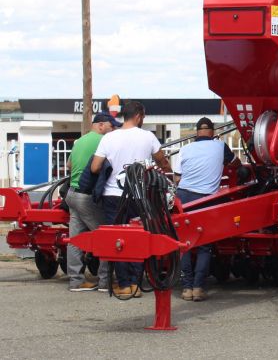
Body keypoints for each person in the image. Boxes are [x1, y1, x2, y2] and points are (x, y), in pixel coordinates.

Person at [91, 101, 170, 297]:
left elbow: (94, 167)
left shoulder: (109, 138)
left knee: (118, 240)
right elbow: (162, 161)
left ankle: (124, 285)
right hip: (139, 197)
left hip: (112, 197)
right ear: (138, 116)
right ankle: (136, 283)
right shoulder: (148, 137)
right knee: (138, 239)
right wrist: (168, 171)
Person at [173, 117, 236, 302]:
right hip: (206, 198)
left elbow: (177, 178)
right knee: (204, 245)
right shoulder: (220, 146)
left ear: (197, 132)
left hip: (183, 197)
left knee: (184, 243)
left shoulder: (185, 149)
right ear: (213, 132)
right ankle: (198, 287)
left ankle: (186, 288)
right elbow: (235, 164)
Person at [65, 112, 121, 291]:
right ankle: (105, 282)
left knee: (75, 240)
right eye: (111, 126)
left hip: (72, 194)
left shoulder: (80, 141)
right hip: (87, 197)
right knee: (105, 237)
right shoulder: (102, 141)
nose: (113, 130)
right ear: (101, 125)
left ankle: (76, 281)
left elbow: (69, 166)